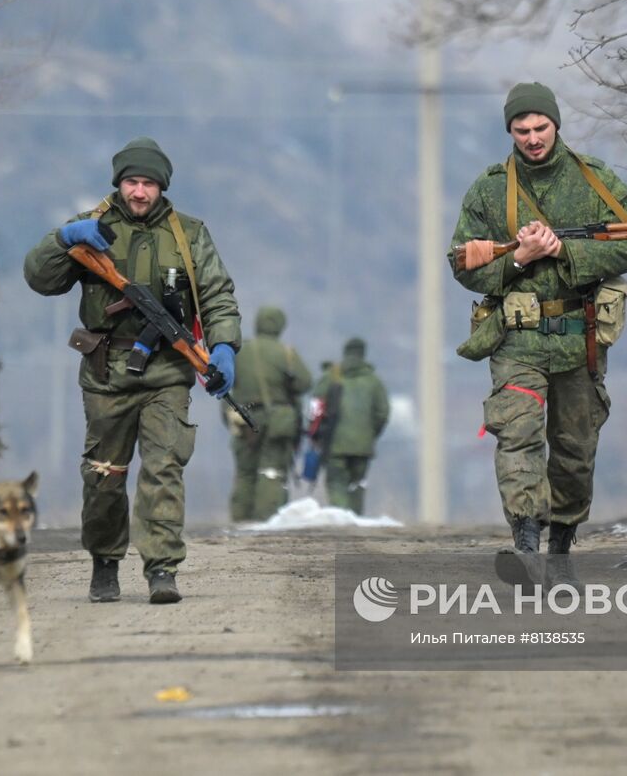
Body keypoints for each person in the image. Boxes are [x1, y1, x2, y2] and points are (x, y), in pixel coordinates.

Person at [23, 137, 241, 605]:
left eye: (148, 183)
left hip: (167, 369)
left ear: (162, 187)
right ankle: (105, 563)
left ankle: (162, 567)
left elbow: (218, 293)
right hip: (106, 371)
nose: (139, 192)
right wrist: (63, 240)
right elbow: (40, 279)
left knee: (164, 468)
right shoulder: (91, 227)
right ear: (119, 184)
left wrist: (223, 346)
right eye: (131, 182)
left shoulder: (190, 234)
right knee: (104, 475)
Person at [447, 83, 627, 581]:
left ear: (556, 125)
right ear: (509, 131)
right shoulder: (490, 191)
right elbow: (462, 264)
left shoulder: (595, 181)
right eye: (522, 130)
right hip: (518, 341)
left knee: (575, 451)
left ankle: (559, 549)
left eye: (541, 128)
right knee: (519, 438)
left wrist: (563, 252)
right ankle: (526, 542)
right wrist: (518, 257)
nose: (533, 138)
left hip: (580, 338)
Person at [227, 306, 312, 521]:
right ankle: (265, 521)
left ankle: (241, 520)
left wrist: (229, 419)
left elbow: (225, 386)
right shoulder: (286, 354)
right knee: (271, 470)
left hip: (244, 420)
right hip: (277, 421)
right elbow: (305, 382)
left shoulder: (240, 352)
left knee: (245, 472)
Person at [310, 338, 389, 514]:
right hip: (363, 445)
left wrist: (315, 433)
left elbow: (315, 406)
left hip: (334, 443)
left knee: (336, 482)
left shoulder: (331, 376)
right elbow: (383, 413)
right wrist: (370, 434)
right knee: (357, 483)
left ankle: (340, 518)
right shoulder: (374, 382)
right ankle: (355, 520)